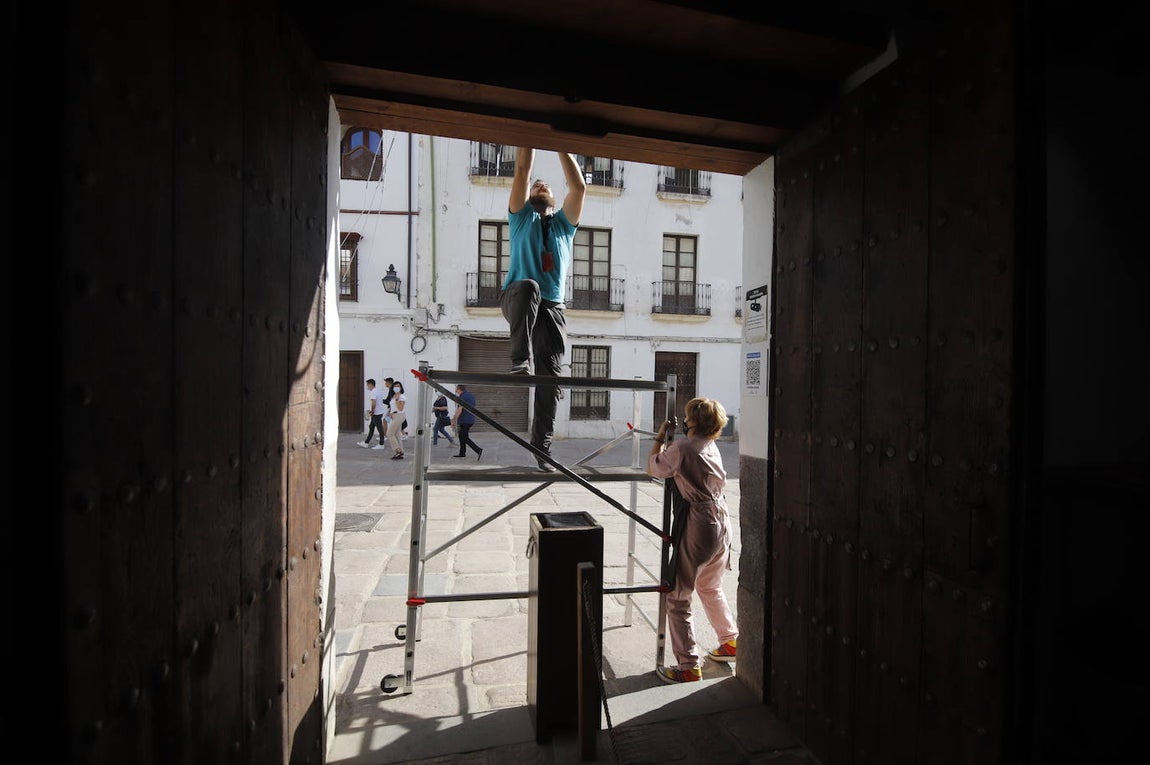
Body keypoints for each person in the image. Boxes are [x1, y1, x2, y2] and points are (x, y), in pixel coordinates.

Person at [502, 147, 586, 472]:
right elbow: (522, 170)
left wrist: (563, 144)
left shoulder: (565, 226)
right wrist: (533, 136)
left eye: (544, 186)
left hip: (552, 310)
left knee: (550, 379)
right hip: (517, 298)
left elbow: (578, 188)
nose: (539, 186)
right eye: (536, 186)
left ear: (553, 198)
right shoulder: (520, 216)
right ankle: (519, 360)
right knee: (530, 286)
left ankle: (542, 448)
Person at [647, 397, 738, 683]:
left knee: (677, 595)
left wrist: (661, 437)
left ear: (691, 422)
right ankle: (730, 640)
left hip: (700, 523)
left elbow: (654, 467)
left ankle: (688, 665)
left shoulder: (684, 447)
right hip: (722, 519)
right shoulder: (711, 445)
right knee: (709, 584)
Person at [450, 384, 483, 461]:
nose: (455, 390)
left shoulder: (462, 397)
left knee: (463, 437)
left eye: (456, 388)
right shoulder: (470, 395)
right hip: (470, 419)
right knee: (462, 436)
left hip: (465, 420)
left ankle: (478, 450)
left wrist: (454, 420)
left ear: (459, 389)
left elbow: (459, 410)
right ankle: (462, 453)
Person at [360, 378, 388, 449]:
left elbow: (374, 403)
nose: (367, 386)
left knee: (379, 428)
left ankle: (381, 444)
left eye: (367, 385)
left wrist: (372, 411)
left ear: (370, 384)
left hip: (376, 413)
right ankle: (366, 442)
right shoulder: (378, 391)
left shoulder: (373, 392)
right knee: (371, 427)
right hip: (379, 412)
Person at [385, 381, 408, 460]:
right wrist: (390, 413)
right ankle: (400, 452)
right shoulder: (393, 396)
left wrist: (397, 398)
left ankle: (398, 450)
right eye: (395, 386)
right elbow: (392, 407)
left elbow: (400, 408)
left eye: (398, 386)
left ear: (401, 387)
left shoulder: (401, 397)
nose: (396, 387)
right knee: (397, 435)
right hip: (394, 415)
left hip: (399, 415)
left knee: (389, 433)